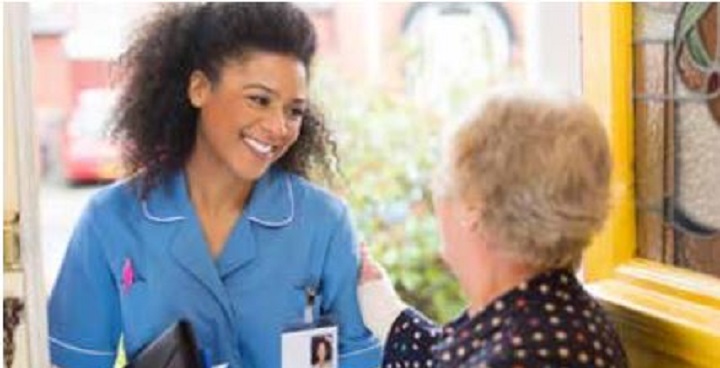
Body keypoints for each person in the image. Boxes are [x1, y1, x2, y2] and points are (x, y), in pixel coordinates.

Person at [47, 3, 381, 368]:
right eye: (259, 100)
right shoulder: (112, 220)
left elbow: (358, 359)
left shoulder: (325, 224)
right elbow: (74, 361)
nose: (279, 126)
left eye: (294, 110)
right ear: (199, 88)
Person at [358, 88, 629, 367]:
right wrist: (380, 304)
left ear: (473, 204)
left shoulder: (524, 354)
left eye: (443, 175)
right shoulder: (554, 312)